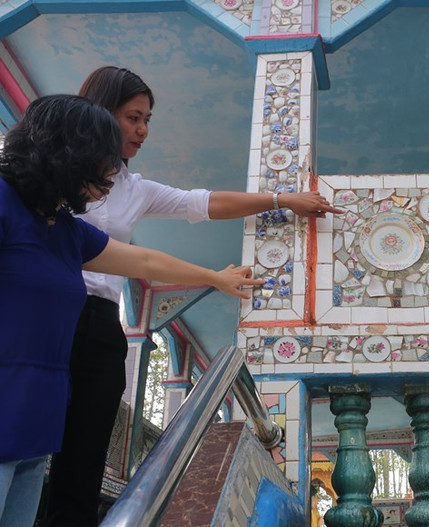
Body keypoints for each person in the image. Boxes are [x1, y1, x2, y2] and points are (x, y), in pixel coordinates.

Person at [44, 66, 343, 526]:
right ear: (99, 114)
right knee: (24, 444)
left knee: (82, 465)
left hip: (101, 323)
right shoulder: (44, 169)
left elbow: (200, 204)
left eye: (147, 119)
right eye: (133, 117)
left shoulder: (132, 187)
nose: (143, 130)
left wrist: (282, 199)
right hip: (42, 313)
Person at [0, 94, 263, 527]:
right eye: (103, 161)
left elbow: (144, 262)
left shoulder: (67, 232)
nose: (111, 175)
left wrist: (215, 277)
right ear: (68, 152)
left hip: (36, 430)